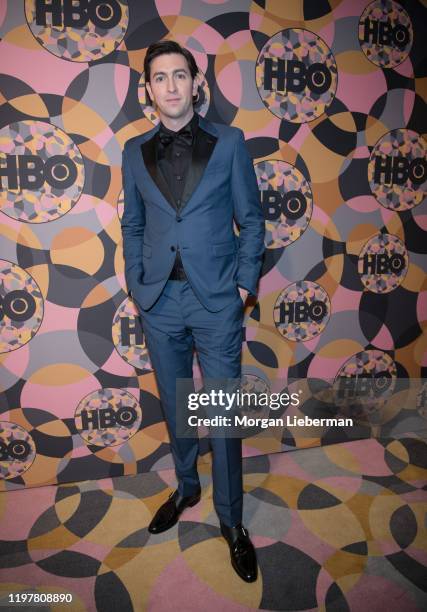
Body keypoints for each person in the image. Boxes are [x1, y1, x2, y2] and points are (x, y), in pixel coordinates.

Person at [121, 40, 264, 582]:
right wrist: (138, 285)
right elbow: (132, 223)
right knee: (179, 407)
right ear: (149, 89)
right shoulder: (133, 152)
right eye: (161, 78)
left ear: (195, 83)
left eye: (181, 75)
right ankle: (186, 487)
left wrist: (244, 286)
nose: (172, 86)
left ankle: (232, 522)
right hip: (159, 301)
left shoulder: (229, 143)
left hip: (216, 300)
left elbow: (252, 220)